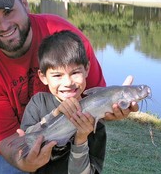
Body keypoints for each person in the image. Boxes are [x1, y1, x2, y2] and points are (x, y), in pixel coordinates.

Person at [0, 0, 138, 173]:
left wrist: (114, 109)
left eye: (8, 11)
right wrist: (25, 162)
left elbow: (95, 100)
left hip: (72, 134)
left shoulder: (66, 36)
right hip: (14, 140)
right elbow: (6, 138)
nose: (4, 26)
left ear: (24, 4)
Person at [20, 30, 106, 174]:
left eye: (75, 73)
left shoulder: (95, 120)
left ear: (87, 69)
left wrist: (81, 139)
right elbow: (26, 145)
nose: (67, 82)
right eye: (57, 75)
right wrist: (55, 114)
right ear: (43, 77)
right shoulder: (38, 102)